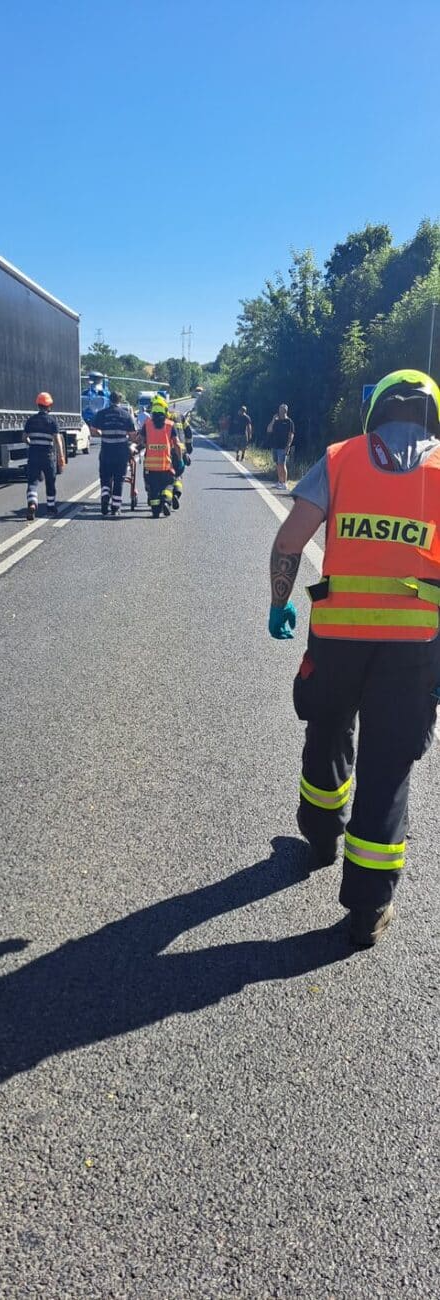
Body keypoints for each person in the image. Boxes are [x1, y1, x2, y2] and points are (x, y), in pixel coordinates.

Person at [268, 369, 440, 947]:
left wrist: (278, 603)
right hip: (414, 652)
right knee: (387, 770)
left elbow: (290, 541)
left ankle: (321, 838)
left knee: (327, 732)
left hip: (337, 640)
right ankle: (368, 909)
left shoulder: (340, 459)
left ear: (376, 411)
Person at [90, 391, 136, 517]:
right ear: (120, 401)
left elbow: (93, 431)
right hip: (121, 454)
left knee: (105, 477)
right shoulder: (126, 415)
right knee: (119, 480)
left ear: (109, 400)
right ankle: (115, 507)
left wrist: (102, 434)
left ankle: (105, 496)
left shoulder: (102, 414)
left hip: (106, 452)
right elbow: (133, 436)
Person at [139, 395, 181, 518]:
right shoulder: (170, 425)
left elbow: (140, 440)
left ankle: (156, 510)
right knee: (168, 485)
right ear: (165, 410)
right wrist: (179, 459)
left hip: (150, 468)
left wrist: (145, 444)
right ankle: (166, 502)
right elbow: (177, 444)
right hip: (165, 466)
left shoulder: (147, 424)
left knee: (153, 489)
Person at [25, 392, 62, 520]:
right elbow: (58, 440)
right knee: (50, 482)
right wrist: (61, 457)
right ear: (49, 406)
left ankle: (32, 503)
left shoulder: (31, 420)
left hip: (33, 455)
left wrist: (31, 443)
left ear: (38, 405)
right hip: (48, 456)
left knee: (32, 482)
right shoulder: (52, 421)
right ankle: (51, 507)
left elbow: (24, 437)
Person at [267, 403, 294, 489]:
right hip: (275, 445)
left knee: (282, 464)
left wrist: (288, 446)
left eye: (282, 410)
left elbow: (291, 435)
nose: (280, 412)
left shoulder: (289, 422)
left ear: (285, 411)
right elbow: (269, 430)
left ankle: (285, 483)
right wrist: (273, 420)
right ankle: (280, 481)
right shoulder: (276, 421)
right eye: (279, 410)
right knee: (278, 464)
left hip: (283, 447)